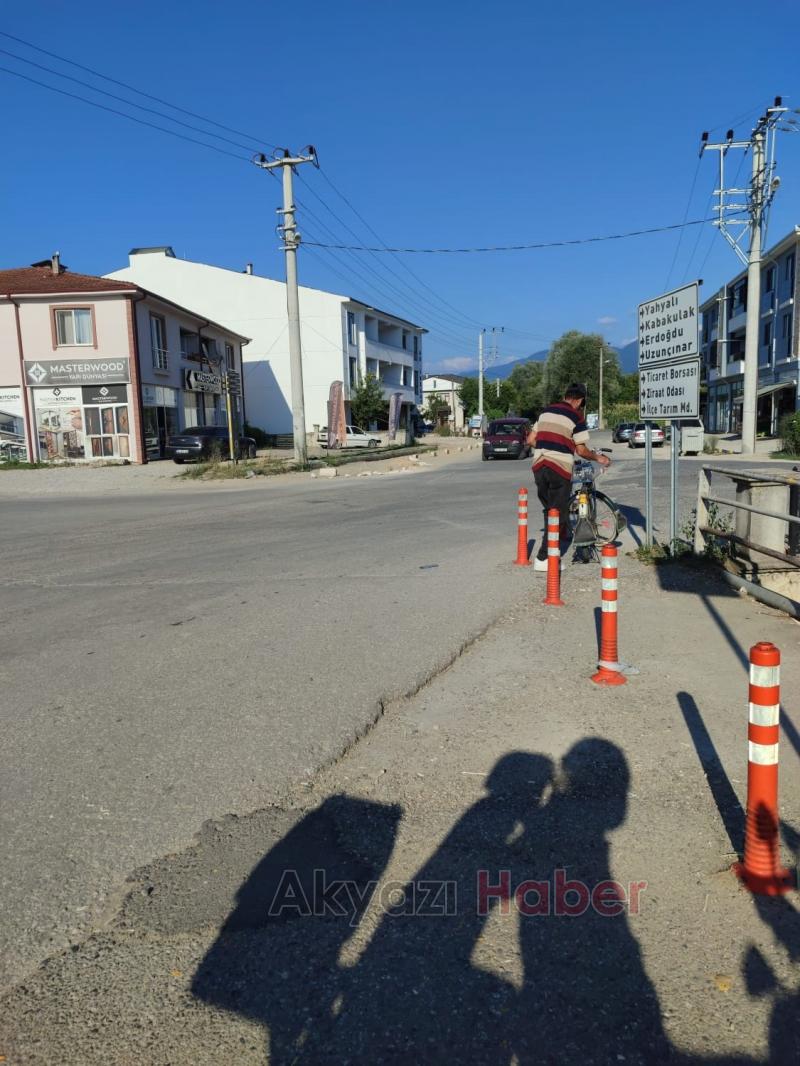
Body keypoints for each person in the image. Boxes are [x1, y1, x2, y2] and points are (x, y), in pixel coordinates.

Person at [528, 382, 610, 571]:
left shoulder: (545, 412)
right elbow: (581, 450)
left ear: (565, 395)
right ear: (580, 400)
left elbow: (531, 440)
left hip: (539, 467)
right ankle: (544, 558)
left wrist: (546, 448)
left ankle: (549, 552)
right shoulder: (576, 417)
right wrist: (599, 458)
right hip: (559, 469)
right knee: (559, 514)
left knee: (550, 511)